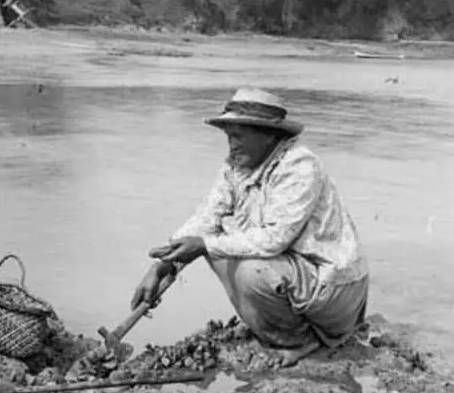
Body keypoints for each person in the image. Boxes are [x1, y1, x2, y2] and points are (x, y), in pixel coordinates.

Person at [131, 87, 370, 368]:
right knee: (213, 244)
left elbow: (274, 240)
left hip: (333, 289)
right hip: (298, 278)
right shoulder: (237, 166)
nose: (231, 145)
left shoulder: (299, 165)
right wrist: (163, 265)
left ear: (269, 135)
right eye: (229, 137)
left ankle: (298, 343)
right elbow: (207, 218)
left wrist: (203, 245)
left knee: (245, 268)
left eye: (238, 137)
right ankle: (284, 332)